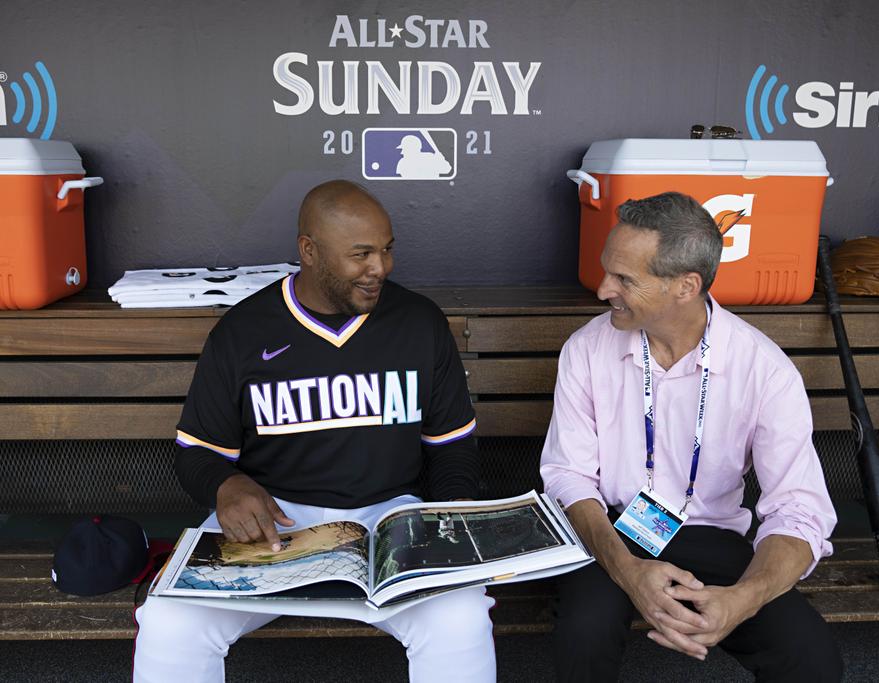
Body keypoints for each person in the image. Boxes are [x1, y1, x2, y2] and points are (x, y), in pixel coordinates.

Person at [133, 180, 495, 683]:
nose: (380, 269)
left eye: (387, 251)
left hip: (390, 518)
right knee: (169, 621)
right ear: (309, 251)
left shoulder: (418, 322)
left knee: (461, 618)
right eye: (361, 254)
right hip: (278, 527)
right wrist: (226, 485)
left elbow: (452, 450)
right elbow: (197, 454)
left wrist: (449, 528)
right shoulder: (244, 331)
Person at [539, 191, 843, 681]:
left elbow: (798, 509)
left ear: (685, 286)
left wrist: (739, 602)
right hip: (613, 529)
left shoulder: (763, 368)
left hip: (711, 533)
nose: (602, 290)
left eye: (624, 279)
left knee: (811, 658)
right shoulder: (588, 349)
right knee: (584, 635)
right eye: (607, 271)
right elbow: (569, 476)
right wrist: (629, 573)